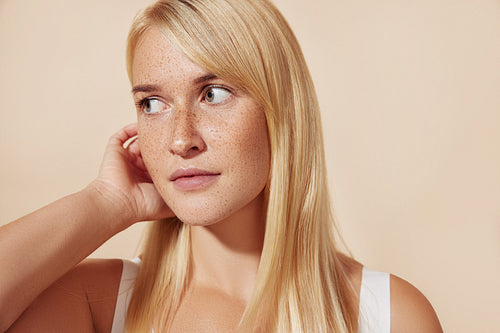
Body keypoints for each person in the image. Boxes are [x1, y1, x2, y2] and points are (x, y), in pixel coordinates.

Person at [0, 0, 443, 332]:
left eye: (212, 94)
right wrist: (106, 203)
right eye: (152, 103)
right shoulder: (96, 302)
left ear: (280, 111)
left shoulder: (389, 316)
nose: (179, 139)